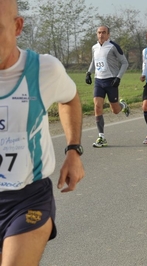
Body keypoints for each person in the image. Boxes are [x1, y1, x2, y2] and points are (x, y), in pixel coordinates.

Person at [0, 0, 85, 265]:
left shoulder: (43, 70)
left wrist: (73, 150)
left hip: (26, 199)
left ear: (17, 27)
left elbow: (70, 99)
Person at [86, 25, 130, 148]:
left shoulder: (113, 47)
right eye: (99, 32)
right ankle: (102, 137)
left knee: (115, 110)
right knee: (97, 106)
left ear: (108, 34)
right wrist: (89, 72)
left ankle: (123, 105)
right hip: (98, 81)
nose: (101, 35)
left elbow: (124, 63)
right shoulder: (94, 47)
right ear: (96, 34)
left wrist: (118, 78)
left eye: (104, 32)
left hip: (111, 81)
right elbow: (94, 61)